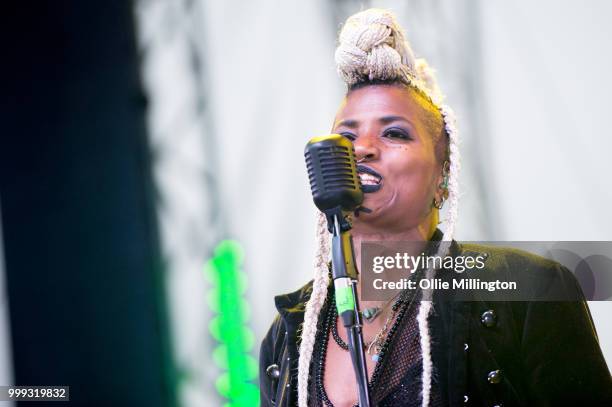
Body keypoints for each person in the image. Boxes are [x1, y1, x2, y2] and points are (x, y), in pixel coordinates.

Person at [259, 8, 611, 407]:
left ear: (442, 176)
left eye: (393, 133)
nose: (362, 148)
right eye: (346, 136)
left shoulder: (526, 290)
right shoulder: (288, 338)